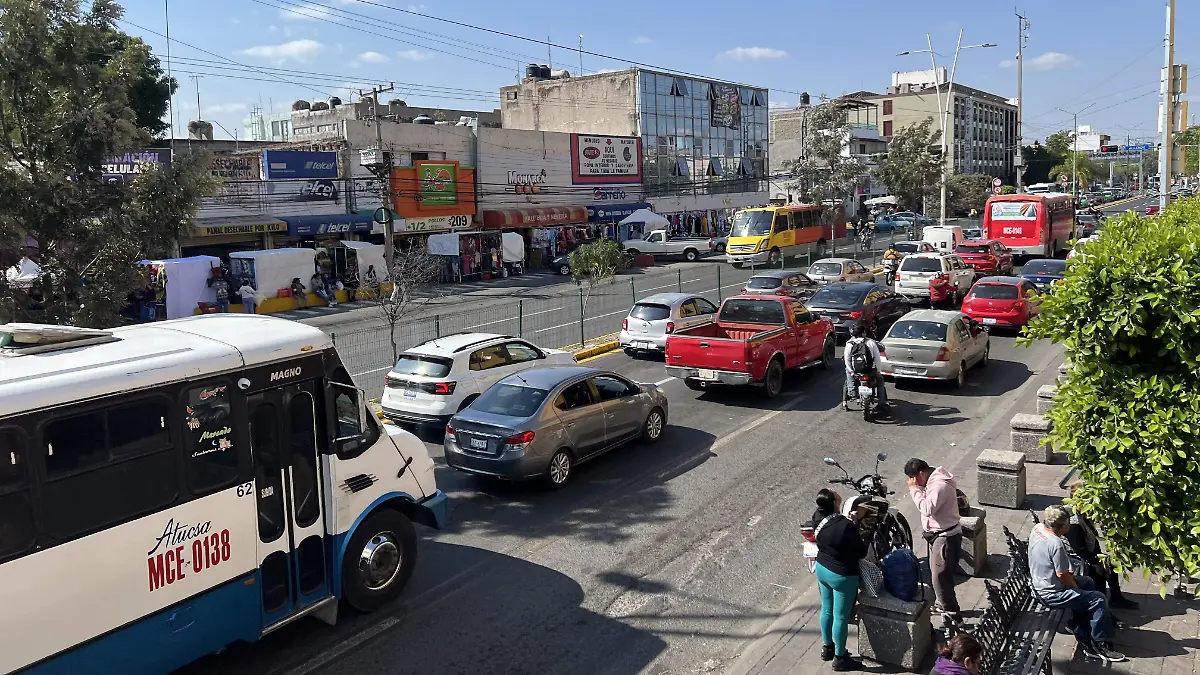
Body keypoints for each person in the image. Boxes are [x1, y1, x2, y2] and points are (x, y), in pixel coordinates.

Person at [1029, 505, 1125, 663]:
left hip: (1039, 583)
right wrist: (1076, 590)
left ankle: (1078, 624)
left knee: (1087, 582)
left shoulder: (1038, 528)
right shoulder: (1056, 544)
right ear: (1063, 526)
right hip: (1051, 593)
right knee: (1098, 599)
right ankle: (1098, 645)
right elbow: (1064, 576)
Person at [810, 488, 867, 671]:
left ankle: (828, 648)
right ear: (835, 503)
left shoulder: (818, 516)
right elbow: (861, 551)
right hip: (842, 575)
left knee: (827, 609)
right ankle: (840, 657)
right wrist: (855, 524)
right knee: (841, 616)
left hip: (822, 568)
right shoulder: (845, 526)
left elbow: (832, 529)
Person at [905, 458, 963, 625]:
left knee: (940, 578)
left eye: (914, 479)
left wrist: (914, 490)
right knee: (939, 575)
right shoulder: (933, 481)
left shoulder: (939, 485)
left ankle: (953, 614)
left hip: (945, 537)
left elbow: (927, 509)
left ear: (922, 473)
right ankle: (942, 603)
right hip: (939, 535)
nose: (914, 483)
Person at [1066, 480, 1138, 610]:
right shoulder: (1073, 522)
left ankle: (1116, 598)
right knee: (1099, 571)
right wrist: (1098, 562)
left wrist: (1102, 558)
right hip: (1076, 561)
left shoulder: (1084, 515)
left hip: (1087, 555)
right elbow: (1079, 550)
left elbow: (1093, 540)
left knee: (1112, 564)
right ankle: (1102, 608)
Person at [843, 323, 887, 410]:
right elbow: (877, 358)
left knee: (847, 376)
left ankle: (846, 400)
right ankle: (882, 403)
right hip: (870, 371)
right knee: (880, 381)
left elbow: (847, 360)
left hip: (855, 371)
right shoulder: (871, 342)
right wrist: (878, 371)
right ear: (864, 333)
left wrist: (851, 372)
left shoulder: (849, 344)